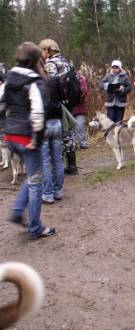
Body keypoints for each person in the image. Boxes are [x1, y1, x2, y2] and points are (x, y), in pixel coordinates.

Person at [0, 42, 55, 240]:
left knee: (34, 176)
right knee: (35, 182)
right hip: (27, 138)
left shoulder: (9, 79)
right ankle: (35, 228)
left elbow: (1, 104)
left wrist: (5, 127)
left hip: (11, 136)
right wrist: (37, 138)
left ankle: (16, 210)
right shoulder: (34, 82)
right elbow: (39, 112)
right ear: (35, 60)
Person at [39, 38, 79, 175]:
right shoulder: (65, 61)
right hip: (70, 101)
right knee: (68, 133)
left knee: (62, 134)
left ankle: (58, 166)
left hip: (59, 103)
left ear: (47, 50)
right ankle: (72, 164)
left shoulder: (50, 64)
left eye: (42, 50)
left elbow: (50, 84)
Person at [41, 62, 65, 204]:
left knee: (44, 161)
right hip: (56, 122)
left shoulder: (34, 82)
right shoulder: (55, 79)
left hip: (42, 124)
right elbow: (63, 97)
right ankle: (58, 191)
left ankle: (48, 194)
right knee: (57, 159)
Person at [72, 70, 89, 149]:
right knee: (70, 128)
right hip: (69, 108)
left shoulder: (81, 80)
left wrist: (82, 80)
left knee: (80, 126)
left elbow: (84, 91)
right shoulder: (63, 80)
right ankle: (73, 144)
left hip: (79, 108)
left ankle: (83, 143)